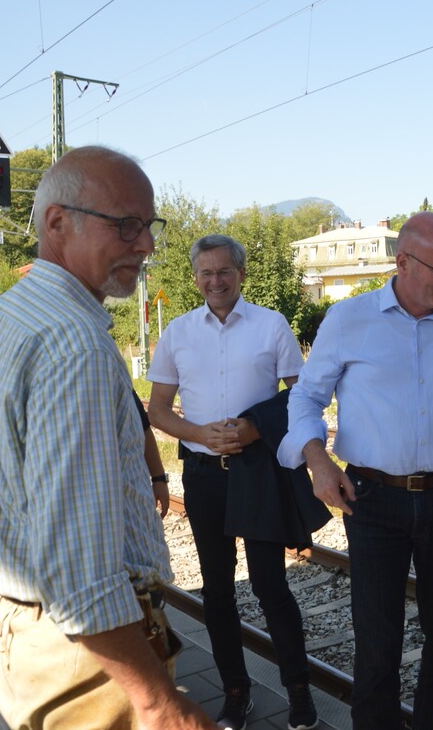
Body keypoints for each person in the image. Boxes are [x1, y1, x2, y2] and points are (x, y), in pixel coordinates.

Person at [0, 146, 214, 730]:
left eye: (149, 225)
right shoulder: (74, 344)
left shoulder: (2, 318)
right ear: (57, 222)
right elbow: (81, 570)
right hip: (84, 663)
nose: (147, 245)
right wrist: (158, 703)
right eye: (127, 225)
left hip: (24, 641)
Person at [279, 212, 433, 730]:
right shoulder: (349, 320)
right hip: (372, 498)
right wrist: (317, 460)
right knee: (377, 643)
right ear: (402, 262)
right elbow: (305, 396)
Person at [147, 234, 324, 730]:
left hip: (258, 472)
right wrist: (200, 433)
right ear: (195, 277)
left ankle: (300, 692)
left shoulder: (272, 325)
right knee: (218, 592)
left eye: (224, 271)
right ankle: (235, 693)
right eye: (206, 272)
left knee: (271, 586)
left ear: (241, 274)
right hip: (204, 476)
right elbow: (158, 410)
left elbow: (303, 396)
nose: (215, 281)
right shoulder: (179, 333)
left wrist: (253, 428)